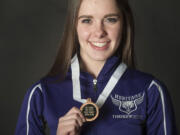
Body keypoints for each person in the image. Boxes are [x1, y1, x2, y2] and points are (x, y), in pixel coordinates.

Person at [15, 0, 178, 134]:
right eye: (87, 20)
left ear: (124, 24)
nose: (99, 32)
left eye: (110, 19)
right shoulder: (41, 92)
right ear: (74, 26)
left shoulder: (150, 90)